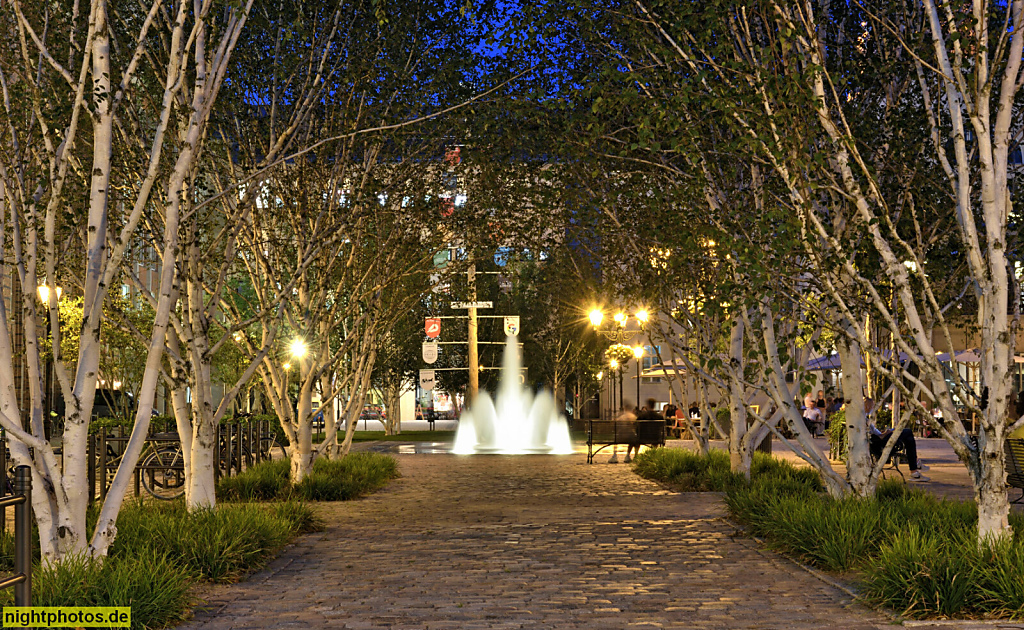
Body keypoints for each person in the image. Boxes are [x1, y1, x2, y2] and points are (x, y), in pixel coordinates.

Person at [865, 397, 930, 481]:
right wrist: (887, 433)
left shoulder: (865, 418)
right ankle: (915, 466)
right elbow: (879, 436)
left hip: (880, 439)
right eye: (872, 406)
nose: (873, 408)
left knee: (908, 437)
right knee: (908, 432)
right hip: (881, 442)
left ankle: (915, 469)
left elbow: (877, 434)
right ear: (868, 406)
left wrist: (887, 432)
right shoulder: (864, 420)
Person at [628, 398, 662, 463]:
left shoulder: (642, 416)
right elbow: (661, 427)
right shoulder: (659, 417)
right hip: (656, 438)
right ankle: (653, 454)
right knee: (655, 441)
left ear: (648, 405)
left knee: (636, 439)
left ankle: (636, 455)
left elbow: (635, 425)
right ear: (654, 405)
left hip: (642, 437)